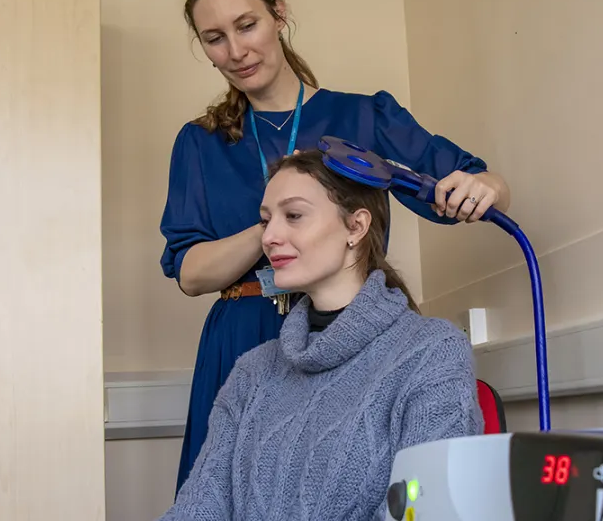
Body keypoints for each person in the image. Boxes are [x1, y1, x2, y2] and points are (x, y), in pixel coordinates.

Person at [159, 0, 511, 493]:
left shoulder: (364, 117)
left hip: (348, 333)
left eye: (247, 25)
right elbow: (189, 273)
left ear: (279, 14)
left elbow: (476, 184)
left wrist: (488, 186)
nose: (236, 51)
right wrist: (281, 222)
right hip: (240, 336)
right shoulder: (201, 142)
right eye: (215, 38)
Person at [158, 150, 484, 521]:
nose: (270, 237)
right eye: (266, 220)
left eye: (293, 216)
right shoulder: (252, 372)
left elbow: (426, 511)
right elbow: (198, 507)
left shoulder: (431, 354)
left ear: (356, 227)